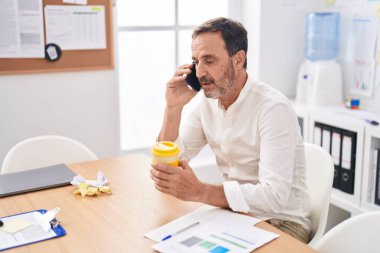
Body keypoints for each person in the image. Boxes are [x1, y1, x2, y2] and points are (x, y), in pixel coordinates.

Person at [150, 17, 311, 243]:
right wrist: (173, 107)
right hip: (236, 216)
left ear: (238, 59)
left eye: (209, 60)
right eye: (196, 61)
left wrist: (200, 191)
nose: (199, 72)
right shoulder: (208, 102)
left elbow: (274, 198)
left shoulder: (273, 109)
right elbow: (169, 164)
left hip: (281, 222)